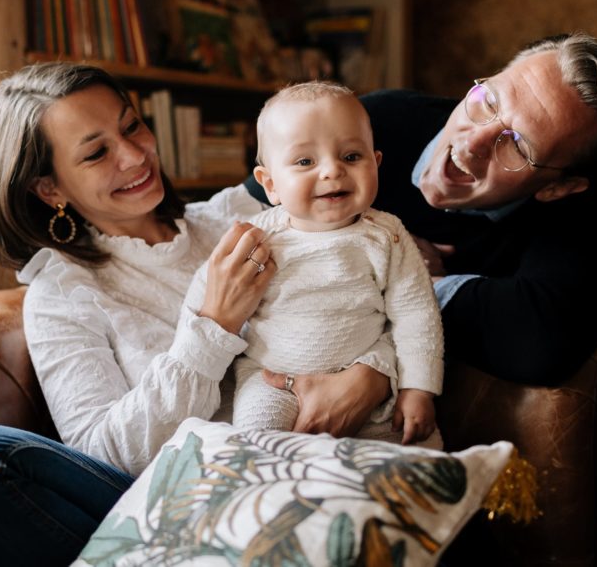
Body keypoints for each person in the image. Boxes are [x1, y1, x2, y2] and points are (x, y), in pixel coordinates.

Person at [0, 62, 393, 567]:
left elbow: (392, 289)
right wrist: (211, 326)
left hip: (307, 461)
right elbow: (101, 455)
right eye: (96, 153)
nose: (135, 155)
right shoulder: (62, 292)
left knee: (384, 110)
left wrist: (375, 374)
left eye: (131, 125)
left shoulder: (240, 215)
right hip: (165, 496)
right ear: (51, 190)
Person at [245, 32, 597, 386]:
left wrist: (408, 282)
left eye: (518, 145)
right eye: (488, 100)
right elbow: (233, 221)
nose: (472, 142)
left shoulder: (580, 203)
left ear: (559, 186)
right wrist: (379, 260)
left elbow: (542, 345)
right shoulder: (373, 122)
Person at [185, 81, 444, 445]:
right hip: (270, 382)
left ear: (376, 163)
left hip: (365, 385)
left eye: (352, 157)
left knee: (416, 446)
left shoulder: (387, 236)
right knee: (253, 447)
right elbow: (202, 299)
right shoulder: (256, 238)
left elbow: (417, 314)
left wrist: (419, 389)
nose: (332, 171)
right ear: (270, 185)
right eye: (306, 161)